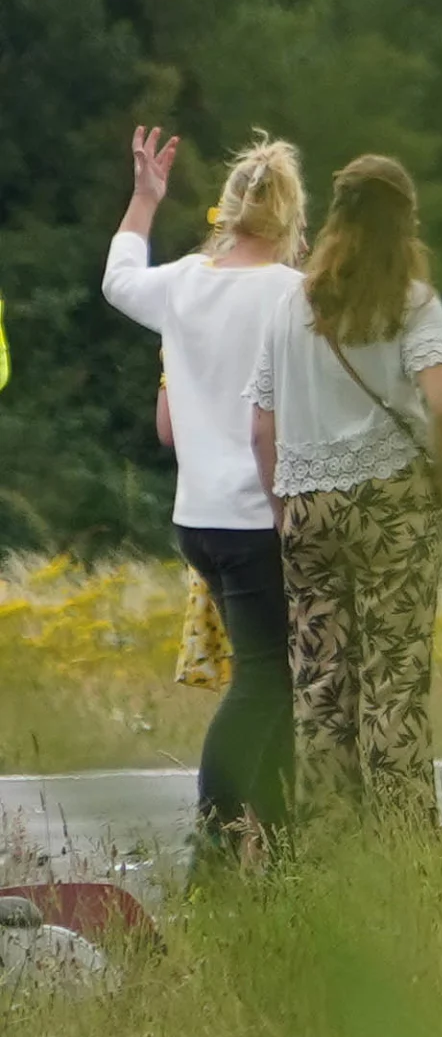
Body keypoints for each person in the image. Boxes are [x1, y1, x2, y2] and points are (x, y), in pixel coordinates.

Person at [101, 129, 302, 846]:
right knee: (266, 680)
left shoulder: (185, 282)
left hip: (200, 517)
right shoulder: (293, 296)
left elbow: (118, 280)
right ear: (288, 214)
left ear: (226, 209)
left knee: (272, 679)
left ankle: (273, 835)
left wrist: (144, 201)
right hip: (260, 515)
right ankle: (218, 837)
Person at [247, 154, 442, 823]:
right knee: (393, 680)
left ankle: (330, 849)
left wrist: (286, 504)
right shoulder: (412, 304)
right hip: (391, 505)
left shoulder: (291, 305)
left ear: (335, 216)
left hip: (307, 505)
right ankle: (403, 847)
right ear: (406, 224)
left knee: (319, 683)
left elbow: (261, 425)